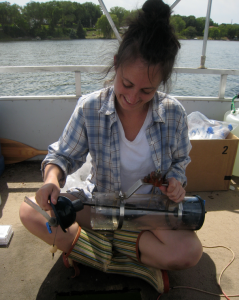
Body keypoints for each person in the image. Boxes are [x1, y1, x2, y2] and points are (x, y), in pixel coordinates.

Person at [19, 0, 202, 293]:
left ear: (161, 84)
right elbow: (62, 155)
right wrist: (51, 180)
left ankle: (90, 250)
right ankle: (138, 264)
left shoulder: (174, 113)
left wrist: (177, 182)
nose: (132, 97)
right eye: (126, 83)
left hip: (148, 214)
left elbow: (180, 161)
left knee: (190, 251)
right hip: (99, 207)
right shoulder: (90, 107)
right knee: (30, 213)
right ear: (116, 64)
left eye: (147, 90)